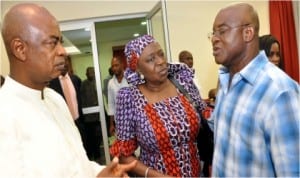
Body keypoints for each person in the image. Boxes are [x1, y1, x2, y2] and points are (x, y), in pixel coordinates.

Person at [0, 3, 136, 177]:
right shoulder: (4, 114)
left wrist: (102, 172)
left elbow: (78, 164)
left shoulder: (55, 98)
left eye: (61, 42)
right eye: (52, 43)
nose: (63, 51)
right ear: (20, 49)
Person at [209, 3, 299, 177]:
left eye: (222, 31)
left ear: (248, 33)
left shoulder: (280, 92)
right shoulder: (226, 81)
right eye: (213, 33)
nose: (214, 38)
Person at [109, 35, 207, 177]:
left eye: (161, 54)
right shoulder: (130, 98)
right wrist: (154, 175)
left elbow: (204, 117)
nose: (161, 61)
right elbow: (123, 154)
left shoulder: (182, 83)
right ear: (137, 68)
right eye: (151, 59)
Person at [48, 54, 88, 152]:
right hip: (63, 125)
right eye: (62, 62)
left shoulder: (76, 80)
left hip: (78, 123)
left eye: (66, 61)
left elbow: (80, 101)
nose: (65, 64)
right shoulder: (51, 83)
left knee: (83, 151)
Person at [80, 66, 102, 163]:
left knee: (97, 137)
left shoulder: (96, 83)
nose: (92, 74)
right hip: (87, 117)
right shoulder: (83, 84)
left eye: (93, 72)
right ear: (86, 74)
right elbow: (81, 99)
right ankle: (90, 155)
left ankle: (98, 156)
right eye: (90, 72)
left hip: (96, 116)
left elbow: (99, 98)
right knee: (89, 138)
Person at [107, 56, 129, 136]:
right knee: (123, 146)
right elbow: (111, 104)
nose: (114, 68)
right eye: (113, 66)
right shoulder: (110, 83)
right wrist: (111, 124)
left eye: (116, 65)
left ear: (122, 65)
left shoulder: (130, 78)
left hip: (133, 120)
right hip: (119, 122)